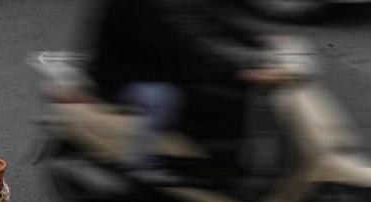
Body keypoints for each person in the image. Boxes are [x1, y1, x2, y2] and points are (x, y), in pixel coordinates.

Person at [86, 0, 287, 184]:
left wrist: (256, 40)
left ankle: (222, 162)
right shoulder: (142, 5)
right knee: (167, 99)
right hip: (129, 77)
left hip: (167, 68)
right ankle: (140, 165)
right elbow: (181, 41)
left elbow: (210, 17)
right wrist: (237, 69)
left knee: (238, 96)